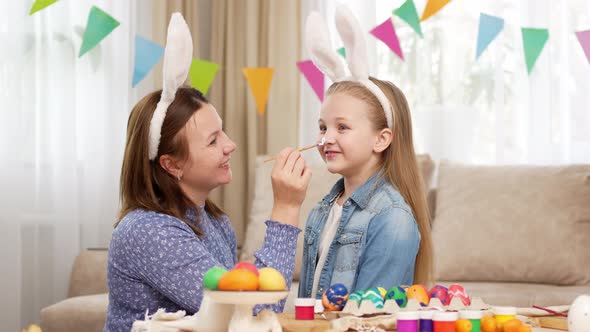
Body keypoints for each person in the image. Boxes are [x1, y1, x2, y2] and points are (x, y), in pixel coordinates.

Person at [104, 14, 311, 332]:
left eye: (223, 132)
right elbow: (255, 312)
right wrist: (286, 208)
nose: (231, 145)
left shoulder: (215, 221)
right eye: (213, 141)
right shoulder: (149, 231)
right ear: (172, 164)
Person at [298, 6, 433, 299]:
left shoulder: (393, 219)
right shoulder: (322, 210)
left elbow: (369, 317)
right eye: (323, 127)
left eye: (342, 128)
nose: (326, 139)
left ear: (381, 139)